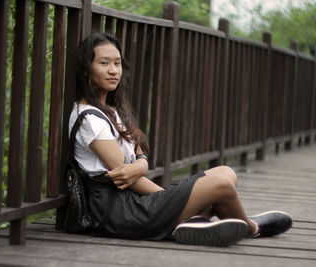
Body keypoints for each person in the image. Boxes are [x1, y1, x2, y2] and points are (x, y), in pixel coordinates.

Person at [68, 32, 292, 246]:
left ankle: (195, 222)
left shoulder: (110, 110)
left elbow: (138, 154)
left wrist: (143, 164)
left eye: (117, 63)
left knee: (226, 172)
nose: (113, 70)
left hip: (133, 201)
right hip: (121, 212)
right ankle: (250, 228)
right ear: (87, 70)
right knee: (221, 186)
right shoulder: (90, 119)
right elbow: (126, 178)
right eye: (104, 63)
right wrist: (170, 199)